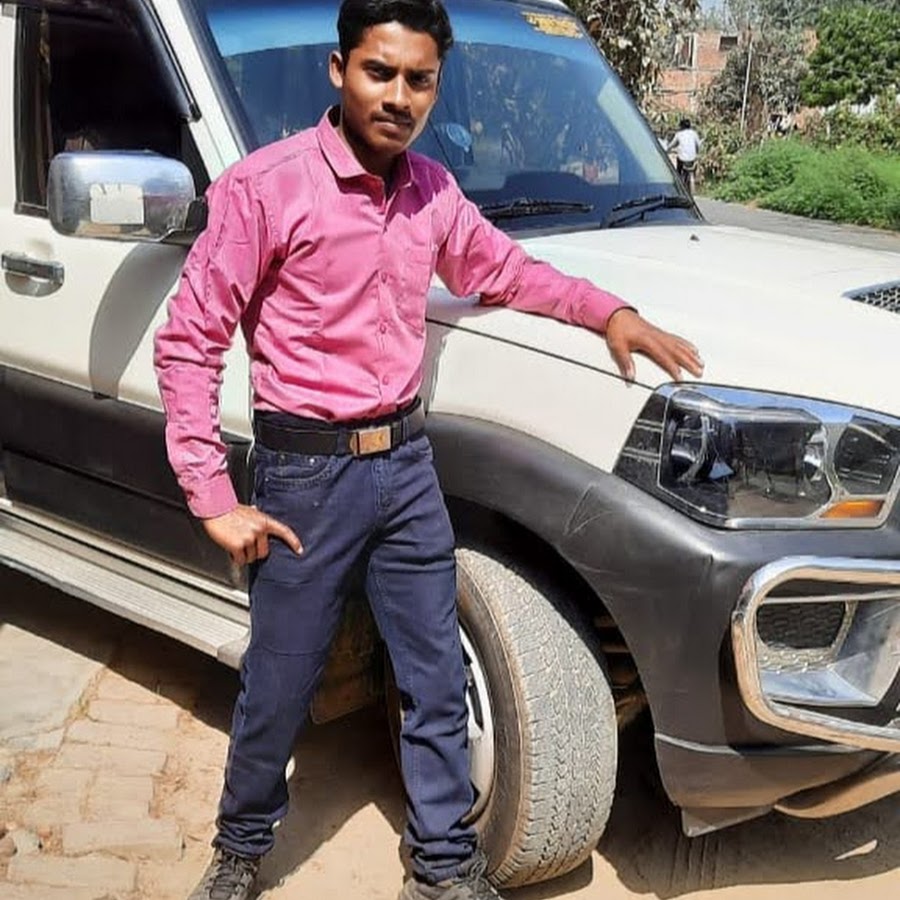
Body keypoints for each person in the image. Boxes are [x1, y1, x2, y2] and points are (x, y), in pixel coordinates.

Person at [154, 1, 704, 898]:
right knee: (280, 684)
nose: (399, 96)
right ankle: (241, 851)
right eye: (380, 72)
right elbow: (189, 341)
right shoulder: (267, 188)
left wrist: (608, 311)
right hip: (305, 476)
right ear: (339, 69)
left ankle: (443, 867)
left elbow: (504, 271)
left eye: (420, 80)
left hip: (406, 468)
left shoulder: (433, 193)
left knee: (437, 678)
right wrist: (212, 497)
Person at [668, 117, 702, 192]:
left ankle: (679, 181)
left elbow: (672, 145)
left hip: (682, 159)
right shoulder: (694, 133)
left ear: (681, 126)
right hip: (692, 158)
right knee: (693, 169)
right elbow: (698, 145)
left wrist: (667, 149)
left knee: (678, 170)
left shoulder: (679, 134)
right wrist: (697, 153)